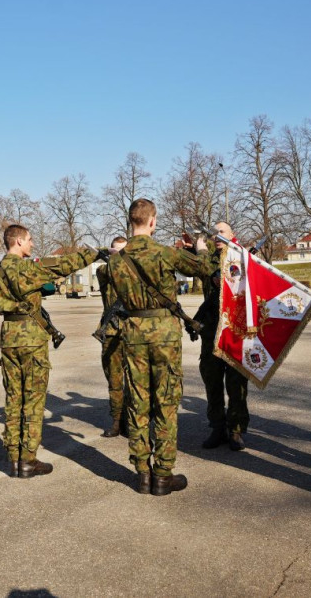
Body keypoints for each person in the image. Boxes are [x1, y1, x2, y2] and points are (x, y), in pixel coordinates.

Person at [106, 199, 210, 495]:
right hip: (164, 333)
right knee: (166, 401)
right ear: (152, 221)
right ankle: (163, 474)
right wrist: (199, 246)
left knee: (138, 402)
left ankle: (142, 473)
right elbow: (205, 268)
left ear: (130, 222)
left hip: (133, 333)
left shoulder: (115, 260)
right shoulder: (166, 253)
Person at [0, 225, 100, 478]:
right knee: (34, 400)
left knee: (14, 398)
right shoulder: (28, 268)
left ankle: (13, 458)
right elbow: (61, 266)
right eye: (29, 239)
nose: (32, 244)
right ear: (17, 241)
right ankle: (28, 459)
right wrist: (92, 255)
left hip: (9, 335)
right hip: (32, 338)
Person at [196, 222, 250, 450]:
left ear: (232, 235)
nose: (217, 236)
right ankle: (217, 427)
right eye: (214, 233)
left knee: (237, 384)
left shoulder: (245, 259)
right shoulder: (208, 261)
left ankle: (236, 430)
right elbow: (196, 263)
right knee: (212, 381)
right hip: (212, 332)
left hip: (236, 332)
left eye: (222, 232)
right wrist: (196, 248)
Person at [96, 236, 128, 438]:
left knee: (137, 381)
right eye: (116, 251)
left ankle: (133, 421)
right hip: (111, 332)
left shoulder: (135, 270)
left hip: (133, 331)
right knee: (114, 379)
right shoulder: (103, 271)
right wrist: (114, 257)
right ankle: (117, 420)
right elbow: (108, 271)